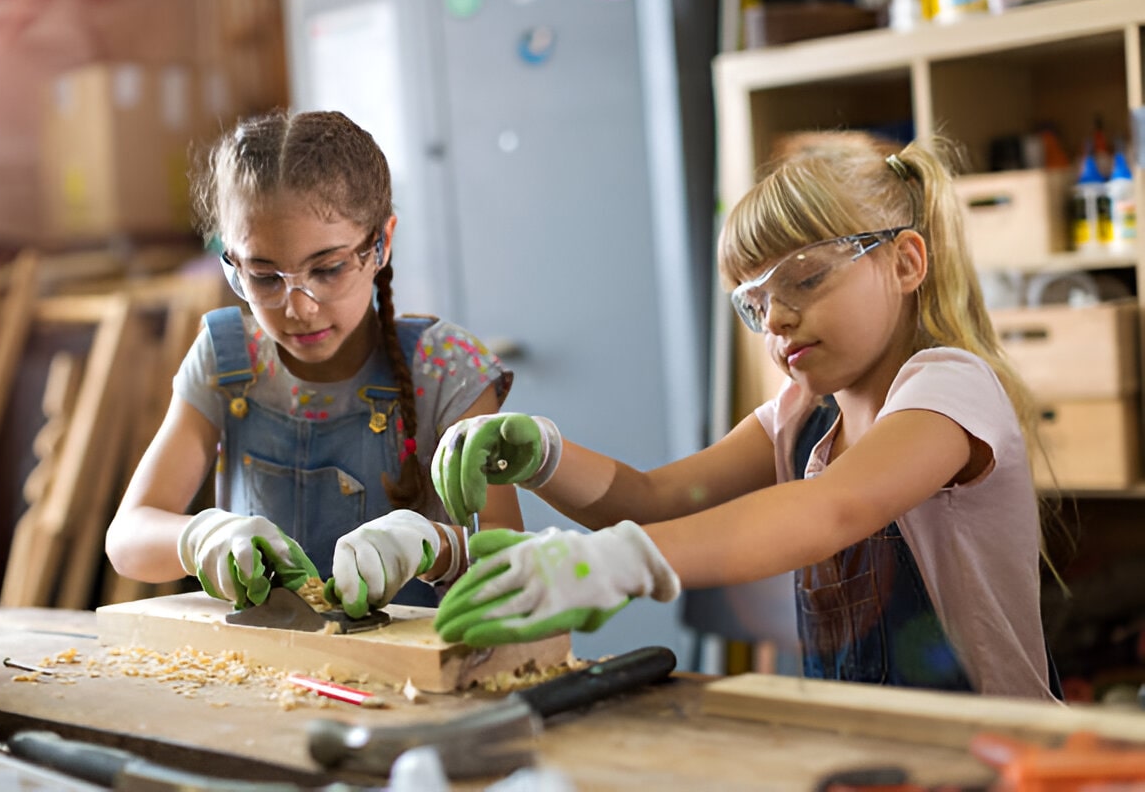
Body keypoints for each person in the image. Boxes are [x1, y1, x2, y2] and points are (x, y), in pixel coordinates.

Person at [429, 131, 1063, 700]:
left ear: (904, 263)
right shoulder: (798, 420)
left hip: (997, 753)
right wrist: (545, 457)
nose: (778, 319)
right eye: (755, 304)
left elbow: (834, 508)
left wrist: (614, 563)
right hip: (871, 744)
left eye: (805, 279)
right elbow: (655, 499)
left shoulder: (950, 387)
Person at [106, 109, 522, 616]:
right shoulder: (227, 360)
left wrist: (439, 547)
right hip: (262, 671)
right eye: (263, 276)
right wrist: (201, 537)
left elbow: (510, 557)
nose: (298, 307)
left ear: (381, 243)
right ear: (232, 261)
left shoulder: (444, 369)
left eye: (327, 270)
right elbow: (127, 537)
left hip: (406, 679)